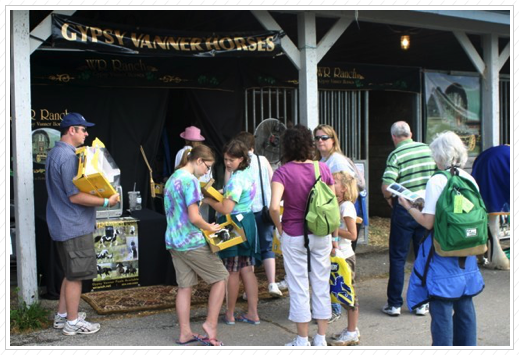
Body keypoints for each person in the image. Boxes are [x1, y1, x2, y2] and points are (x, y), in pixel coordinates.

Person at [401, 131, 484, 346]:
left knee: (442, 310)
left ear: (439, 155)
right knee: (466, 306)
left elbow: (428, 222)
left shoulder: (437, 180)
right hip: (468, 251)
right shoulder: (469, 179)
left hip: (442, 252)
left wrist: (409, 207)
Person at [45, 112, 119, 335]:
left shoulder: (55, 152)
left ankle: (62, 316)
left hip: (63, 224)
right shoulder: (68, 157)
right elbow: (74, 196)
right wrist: (107, 200)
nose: (87, 133)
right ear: (71, 131)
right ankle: (73, 323)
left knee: (70, 272)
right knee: (76, 276)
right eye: (83, 129)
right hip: (73, 225)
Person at [270, 125, 335, 347]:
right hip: (321, 233)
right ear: (310, 143)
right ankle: (321, 338)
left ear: (286, 146)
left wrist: (280, 228)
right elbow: (332, 205)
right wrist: (334, 237)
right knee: (321, 283)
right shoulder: (322, 169)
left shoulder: (282, 172)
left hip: (294, 233)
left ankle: (301, 339)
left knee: (298, 285)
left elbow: (273, 207)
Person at [164, 144, 228, 346]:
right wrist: (209, 227)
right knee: (221, 278)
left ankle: (185, 333)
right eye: (207, 167)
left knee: (185, 287)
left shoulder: (173, 178)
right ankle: (211, 324)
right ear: (199, 161)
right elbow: (193, 217)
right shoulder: (190, 181)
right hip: (191, 241)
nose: (207, 172)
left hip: (173, 240)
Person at [203, 139, 261, 326]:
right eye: (226, 159)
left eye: (231, 160)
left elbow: (227, 208)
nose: (227, 163)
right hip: (248, 220)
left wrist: (209, 200)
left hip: (233, 224)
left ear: (242, 158)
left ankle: (229, 314)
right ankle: (253, 313)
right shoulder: (248, 172)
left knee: (232, 270)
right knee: (247, 269)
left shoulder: (236, 179)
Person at [381, 121, 436, 316]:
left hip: (404, 209)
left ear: (393, 137)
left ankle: (394, 303)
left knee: (398, 257)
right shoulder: (427, 150)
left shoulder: (396, 155)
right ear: (411, 133)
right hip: (426, 208)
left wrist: (390, 200)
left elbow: (387, 184)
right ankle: (421, 303)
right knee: (423, 255)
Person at [229, 132, 282, 298]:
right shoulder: (263, 160)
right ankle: (272, 284)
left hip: (244, 214)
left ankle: (248, 290)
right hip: (264, 211)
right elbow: (274, 180)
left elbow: (228, 186)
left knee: (248, 251)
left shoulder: (236, 163)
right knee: (267, 248)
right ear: (253, 145)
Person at [313, 124, 368, 250]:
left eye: (324, 137)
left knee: (344, 251)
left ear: (333, 140)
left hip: (344, 208)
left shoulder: (337, 160)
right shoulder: (322, 160)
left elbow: (348, 185)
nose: (320, 141)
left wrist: (340, 205)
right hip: (332, 209)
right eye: (317, 138)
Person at [328, 171, 360, 346]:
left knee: (349, 294)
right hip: (337, 256)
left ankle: (352, 331)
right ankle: (351, 329)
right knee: (341, 293)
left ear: (344, 188)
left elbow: (352, 234)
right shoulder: (337, 204)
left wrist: (331, 228)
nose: (330, 184)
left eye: (334, 182)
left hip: (345, 257)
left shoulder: (346, 206)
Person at [175, 126, 212, 221]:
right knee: (201, 221)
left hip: (183, 196)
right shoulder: (204, 155)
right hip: (201, 193)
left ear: (186, 140)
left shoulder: (180, 153)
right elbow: (208, 178)